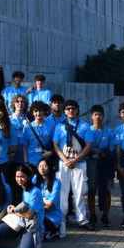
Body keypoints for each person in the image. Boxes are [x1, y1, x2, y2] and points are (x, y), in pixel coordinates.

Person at [54, 99, 93, 232]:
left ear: (77, 110)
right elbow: (55, 145)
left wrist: (76, 159)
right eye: (68, 108)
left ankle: (82, 219)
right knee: (63, 192)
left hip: (79, 162)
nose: (71, 110)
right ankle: (62, 219)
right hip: (64, 163)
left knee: (80, 192)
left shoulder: (84, 126)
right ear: (64, 111)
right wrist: (65, 159)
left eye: (73, 108)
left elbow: (88, 145)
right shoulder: (59, 126)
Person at [35, 159, 63, 240]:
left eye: (45, 166)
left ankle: (54, 231)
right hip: (39, 213)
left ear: (50, 167)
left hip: (52, 217)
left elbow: (49, 206)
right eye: (40, 166)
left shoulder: (56, 182)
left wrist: (34, 208)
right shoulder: (35, 179)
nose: (42, 168)